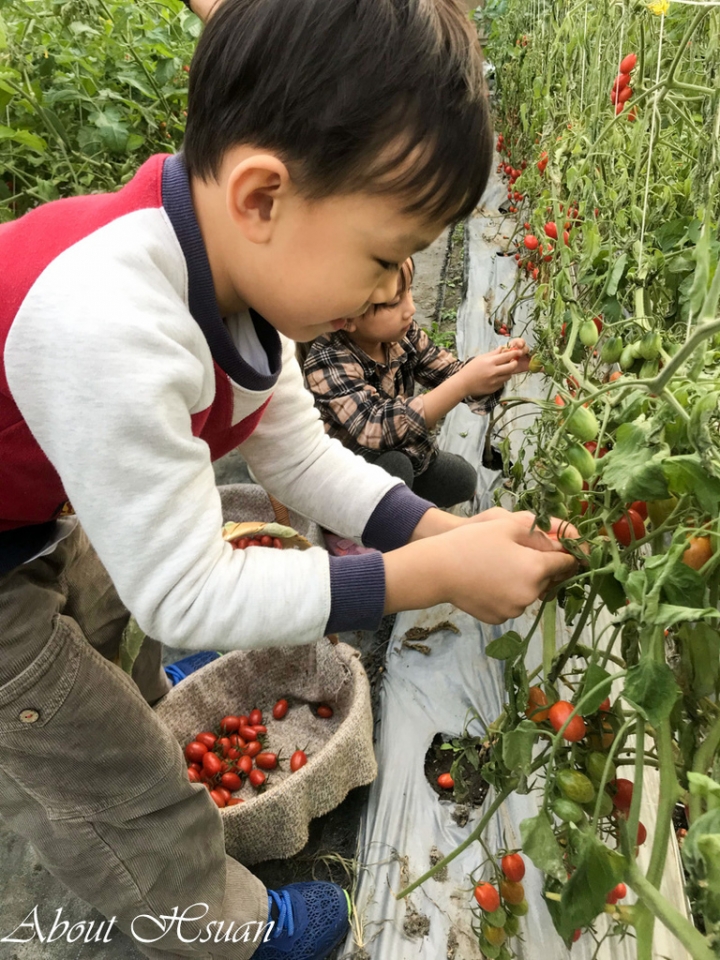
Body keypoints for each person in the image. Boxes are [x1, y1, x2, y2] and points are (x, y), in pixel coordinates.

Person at [0, 1, 577, 959]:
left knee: (107, 629)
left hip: (40, 497)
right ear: (264, 198)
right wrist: (429, 578)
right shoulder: (111, 324)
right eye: (385, 257)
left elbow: (302, 457)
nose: (393, 289)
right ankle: (219, 928)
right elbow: (183, 593)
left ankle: (133, 708)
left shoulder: (235, 275)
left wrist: (437, 537)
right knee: (115, 786)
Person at [304, 257, 529, 508]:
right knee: (395, 469)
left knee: (463, 480)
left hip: (404, 453)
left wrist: (500, 365)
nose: (410, 309)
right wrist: (464, 383)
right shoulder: (327, 360)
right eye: (393, 302)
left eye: (409, 291)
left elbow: (449, 373)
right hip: (348, 476)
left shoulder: (403, 335)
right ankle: (358, 532)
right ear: (346, 316)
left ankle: (404, 504)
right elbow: (375, 425)